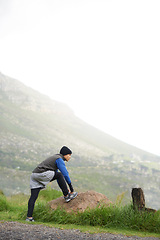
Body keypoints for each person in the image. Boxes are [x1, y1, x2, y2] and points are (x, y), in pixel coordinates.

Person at [26, 146, 77, 222]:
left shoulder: (55, 157)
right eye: (69, 155)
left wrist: (66, 188)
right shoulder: (59, 159)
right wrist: (71, 190)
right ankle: (67, 196)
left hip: (34, 175)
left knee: (33, 197)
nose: (70, 157)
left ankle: (29, 217)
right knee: (59, 175)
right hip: (41, 173)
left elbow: (55, 174)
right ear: (65, 155)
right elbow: (65, 174)